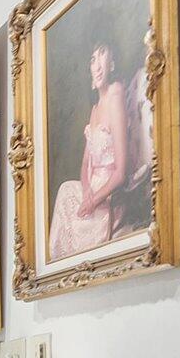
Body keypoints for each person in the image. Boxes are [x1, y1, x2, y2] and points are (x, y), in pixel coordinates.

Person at [47, 42, 130, 261]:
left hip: (108, 193)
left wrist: (94, 200)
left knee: (80, 217)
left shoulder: (116, 93)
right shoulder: (94, 110)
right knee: (65, 191)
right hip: (91, 190)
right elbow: (85, 164)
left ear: (112, 63)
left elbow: (121, 172)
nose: (97, 65)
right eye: (93, 59)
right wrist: (86, 192)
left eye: (102, 55)